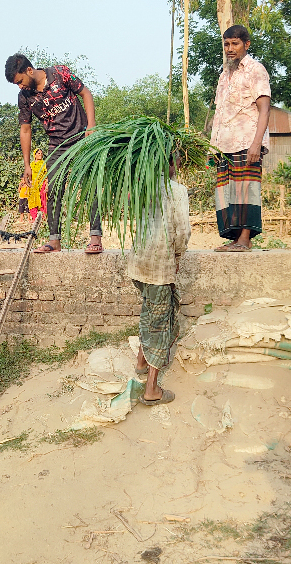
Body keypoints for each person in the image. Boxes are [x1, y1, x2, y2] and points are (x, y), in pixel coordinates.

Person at [5, 53, 103, 255]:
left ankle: (95, 238)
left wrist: (91, 126)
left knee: (90, 186)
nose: (20, 86)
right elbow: (25, 130)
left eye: (20, 81)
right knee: (54, 191)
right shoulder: (25, 97)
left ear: (29, 70)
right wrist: (26, 165)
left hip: (80, 139)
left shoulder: (60, 73)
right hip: (56, 146)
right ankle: (54, 241)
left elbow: (86, 94)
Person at [128, 165, 191, 406]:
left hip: (138, 264)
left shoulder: (141, 187)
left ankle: (141, 362)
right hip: (159, 267)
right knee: (161, 322)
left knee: (150, 309)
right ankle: (152, 389)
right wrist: (177, 256)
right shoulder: (176, 190)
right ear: (171, 164)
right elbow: (182, 231)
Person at [207, 25, 271, 252]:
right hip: (224, 144)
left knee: (246, 189)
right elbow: (220, 113)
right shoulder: (224, 75)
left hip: (247, 141)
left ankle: (245, 240)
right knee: (227, 193)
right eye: (226, 44)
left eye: (235, 43)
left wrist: (257, 143)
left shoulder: (256, 70)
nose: (230, 49)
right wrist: (212, 147)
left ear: (246, 44)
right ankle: (235, 239)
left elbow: (264, 109)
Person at [28, 147, 47, 221]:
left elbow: (46, 174)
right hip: (33, 185)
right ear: (35, 155)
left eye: (41, 153)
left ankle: (43, 217)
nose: (40, 155)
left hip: (42, 184)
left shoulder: (44, 164)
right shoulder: (31, 164)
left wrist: (46, 183)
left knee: (43, 200)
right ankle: (34, 218)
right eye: (38, 153)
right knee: (32, 201)